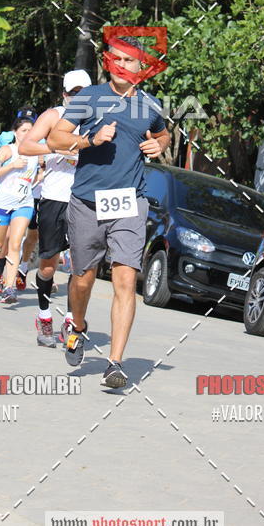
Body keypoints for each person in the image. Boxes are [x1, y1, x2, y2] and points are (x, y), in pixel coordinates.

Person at [47, 38, 169, 388]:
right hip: (87, 201)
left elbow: (164, 135)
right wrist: (90, 140)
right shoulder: (90, 97)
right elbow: (55, 139)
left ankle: (115, 363)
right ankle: (78, 325)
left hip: (130, 201)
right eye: (116, 59)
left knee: (126, 279)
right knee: (83, 279)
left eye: (129, 61)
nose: (121, 65)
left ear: (141, 68)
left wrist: (158, 144)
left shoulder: (149, 105)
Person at [20, 70, 92, 348]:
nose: (79, 99)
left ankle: (72, 319)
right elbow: (25, 146)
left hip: (84, 200)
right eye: (74, 94)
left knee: (81, 267)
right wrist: (56, 150)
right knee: (49, 267)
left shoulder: (96, 120)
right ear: (64, 95)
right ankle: (44, 315)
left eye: (84, 94)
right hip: (54, 198)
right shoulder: (53, 116)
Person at [0, 117, 39, 304]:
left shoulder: (36, 153)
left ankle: (9, 287)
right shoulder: (7, 150)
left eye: (30, 131)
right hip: (1, 204)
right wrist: (12, 165)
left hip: (24, 204)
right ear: (15, 132)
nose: (27, 134)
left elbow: (40, 172)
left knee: (15, 244)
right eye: (23, 130)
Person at [16, 161, 45, 291]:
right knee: (26, 235)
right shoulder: (36, 153)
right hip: (31, 197)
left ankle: (46, 276)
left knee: (45, 238)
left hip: (52, 199)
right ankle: (20, 267)